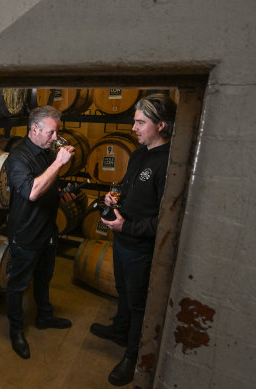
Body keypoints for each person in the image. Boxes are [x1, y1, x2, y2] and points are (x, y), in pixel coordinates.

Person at [91, 94, 177, 385]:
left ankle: (132, 356)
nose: (133, 128)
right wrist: (115, 198)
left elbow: (166, 220)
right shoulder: (141, 152)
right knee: (123, 292)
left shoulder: (169, 163)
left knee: (139, 302)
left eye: (141, 122)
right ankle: (120, 329)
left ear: (161, 124)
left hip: (141, 248)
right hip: (122, 241)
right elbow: (130, 188)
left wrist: (127, 227)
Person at [4, 105, 76, 359]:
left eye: (57, 133)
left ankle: (45, 317)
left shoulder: (46, 152)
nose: (55, 138)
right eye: (51, 133)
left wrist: (60, 192)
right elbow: (32, 192)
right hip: (26, 233)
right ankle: (16, 331)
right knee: (18, 284)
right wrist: (59, 163)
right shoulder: (18, 158)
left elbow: (48, 185)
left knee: (44, 277)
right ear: (34, 129)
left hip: (48, 230)